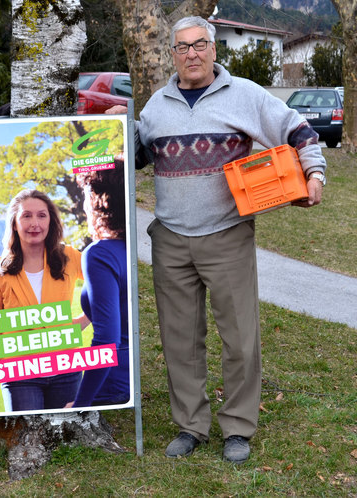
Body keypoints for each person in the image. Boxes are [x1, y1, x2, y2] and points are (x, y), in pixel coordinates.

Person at [110, 16, 326, 463]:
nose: (191, 54)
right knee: (179, 340)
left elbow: (297, 130)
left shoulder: (244, 94)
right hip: (170, 237)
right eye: (182, 47)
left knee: (240, 337)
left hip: (227, 234)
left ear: (213, 49)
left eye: (199, 45)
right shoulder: (157, 104)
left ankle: (238, 428)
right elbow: (137, 158)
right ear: (172, 54)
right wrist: (118, 129)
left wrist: (315, 171)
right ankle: (191, 426)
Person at [0, 189, 88, 411]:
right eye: (26, 215)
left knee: (69, 436)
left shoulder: (68, 256)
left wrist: (83, 321)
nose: (35, 223)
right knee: (29, 436)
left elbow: (104, 285)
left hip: (66, 367)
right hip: (20, 371)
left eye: (42, 215)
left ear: (51, 221)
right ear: (14, 223)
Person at [71, 159, 130, 408]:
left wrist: (80, 405)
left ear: (98, 202)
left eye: (85, 196)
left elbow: (107, 340)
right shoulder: (131, 246)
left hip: (112, 383)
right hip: (130, 377)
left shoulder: (99, 253)